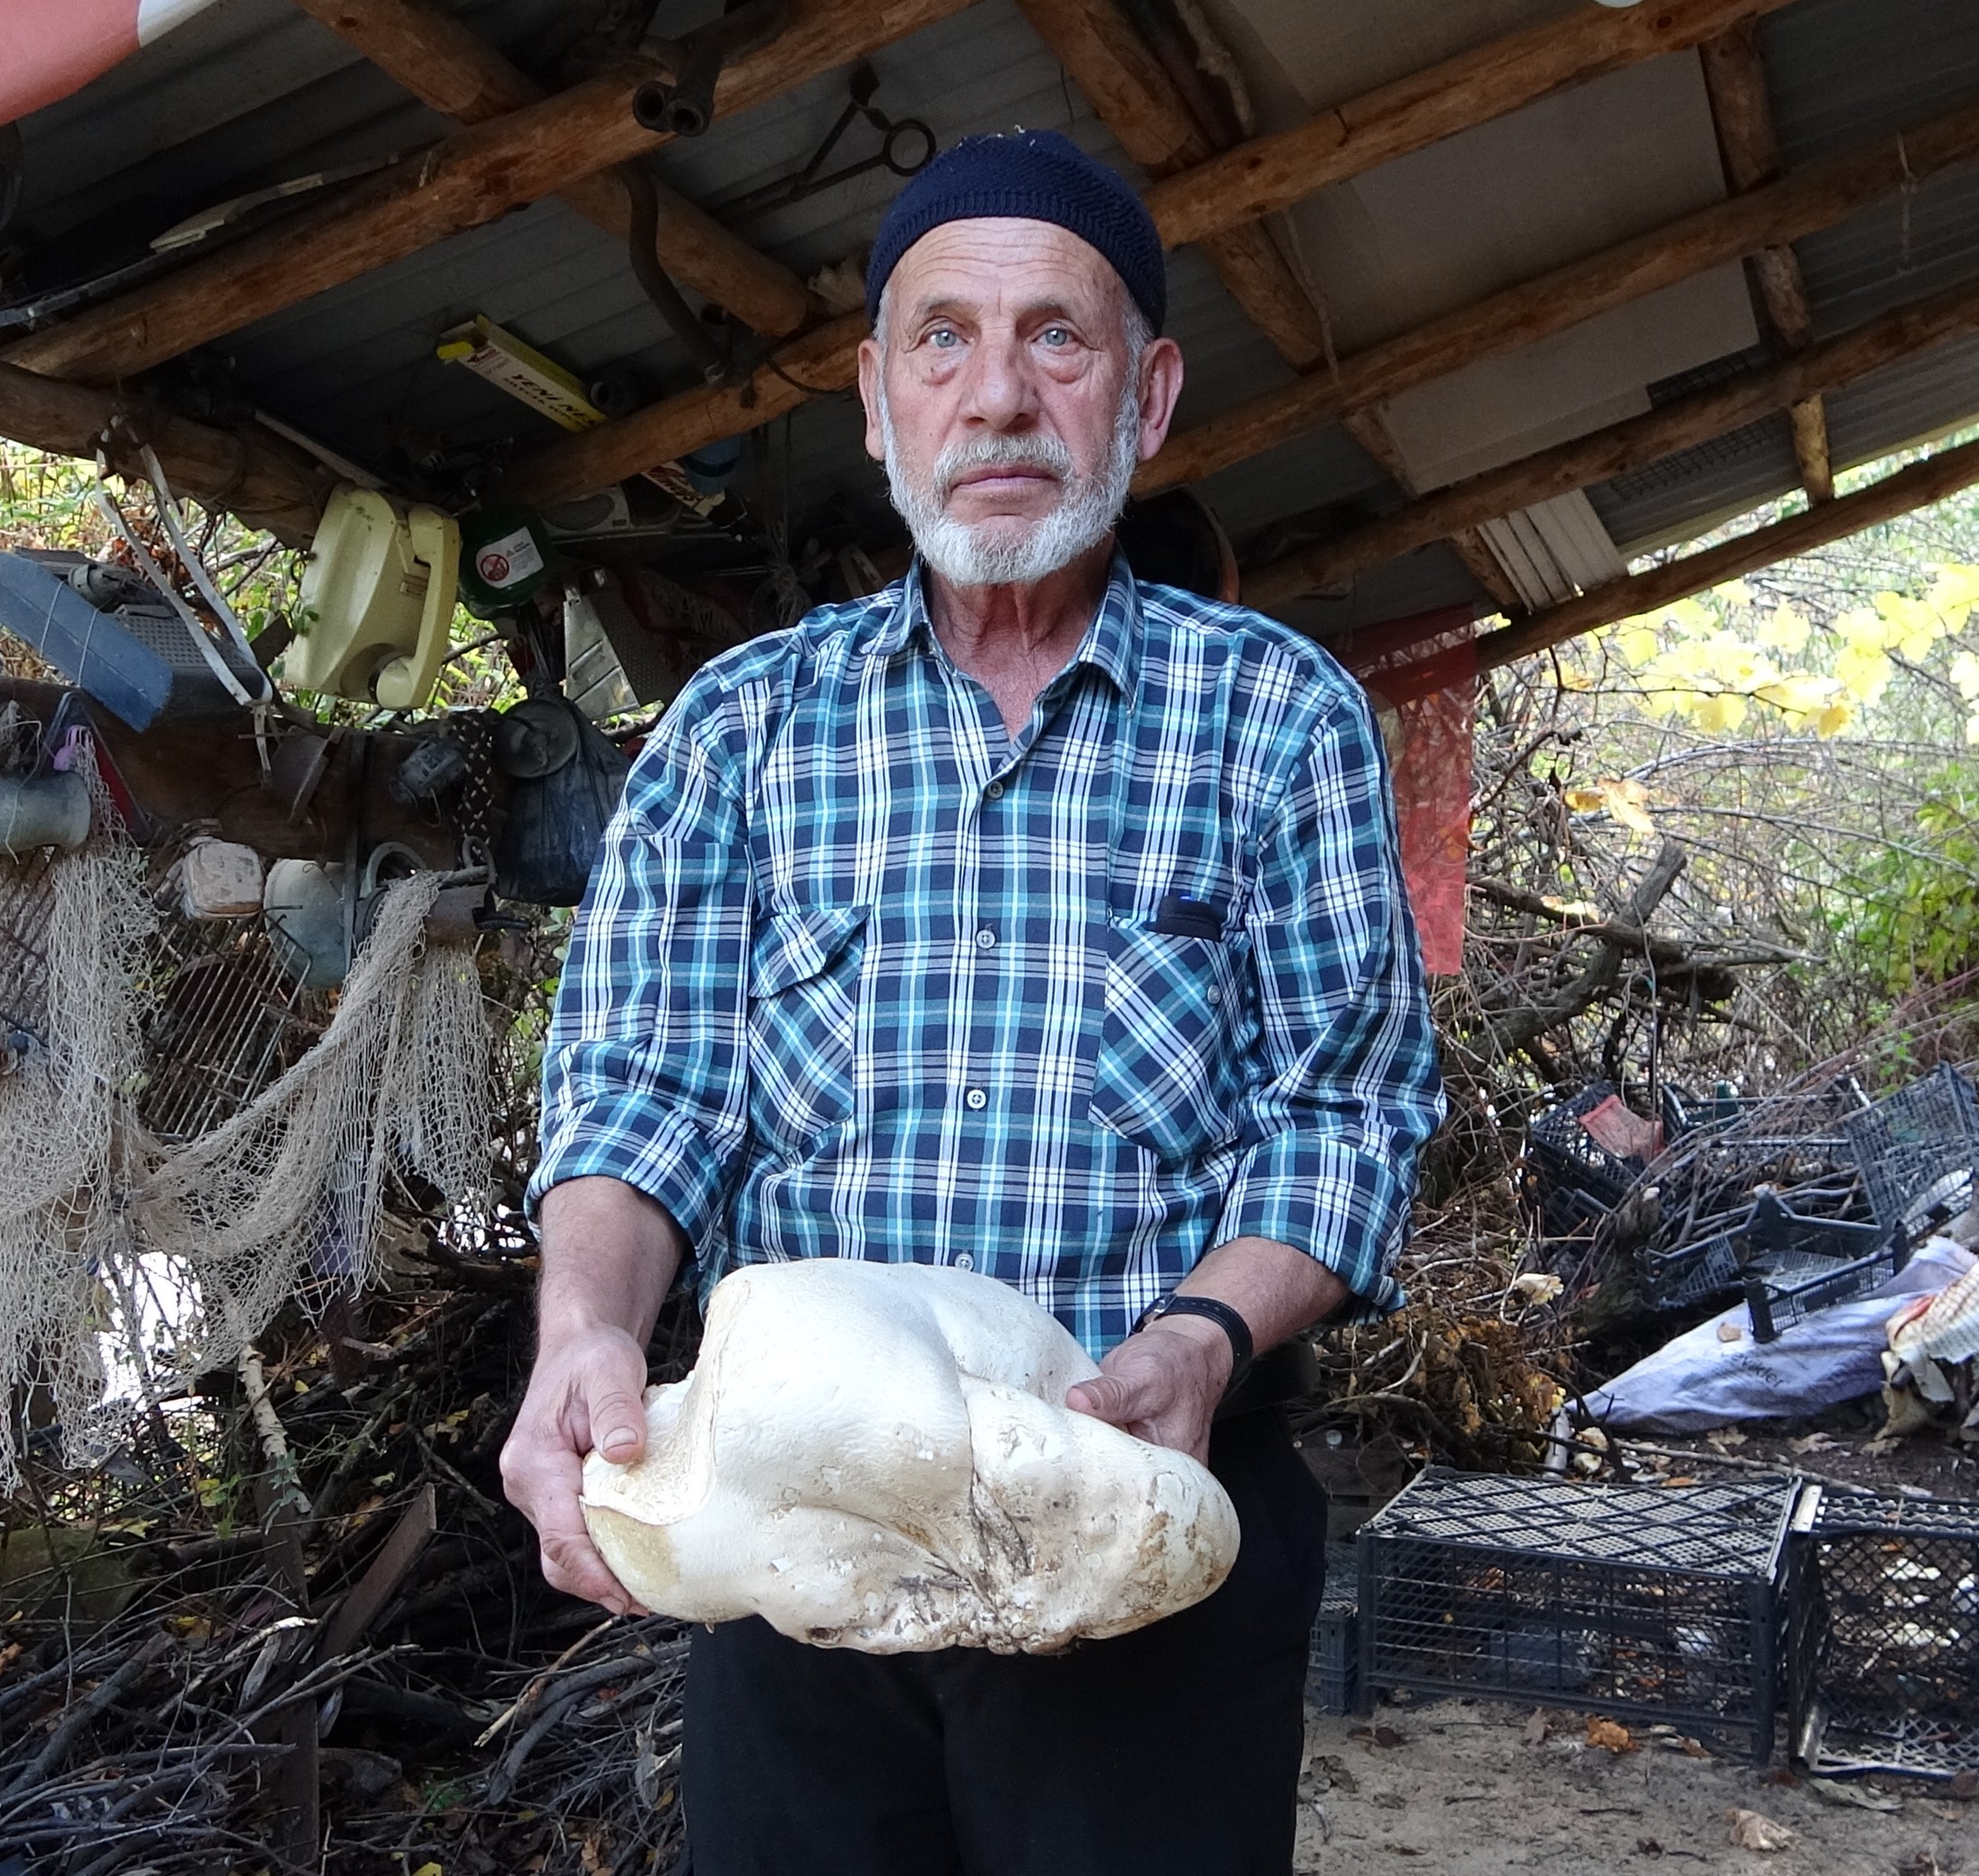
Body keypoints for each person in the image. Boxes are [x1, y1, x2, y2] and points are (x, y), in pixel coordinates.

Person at [500, 129, 1444, 1876]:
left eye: (1055, 340)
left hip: (1142, 1521)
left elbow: (1351, 1115)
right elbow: (645, 1095)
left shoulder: (1278, 722)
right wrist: (587, 1333)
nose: (997, 396)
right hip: (809, 1543)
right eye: (942, 338)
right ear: (875, 401)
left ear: (1147, 396)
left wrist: (1199, 1341)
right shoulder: (741, 731)